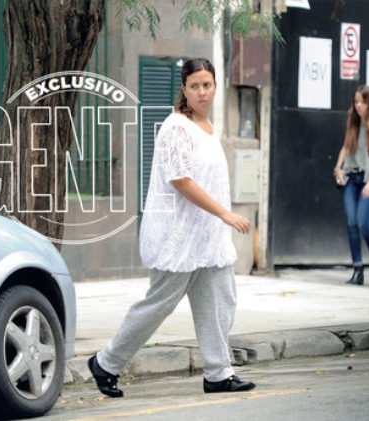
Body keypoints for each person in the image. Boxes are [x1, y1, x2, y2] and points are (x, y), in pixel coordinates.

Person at [87, 58, 256, 397]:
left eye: (207, 84)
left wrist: (218, 221)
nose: (202, 91)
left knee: (221, 301)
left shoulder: (207, 127)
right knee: (158, 305)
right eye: (194, 85)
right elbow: (181, 180)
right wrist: (225, 214)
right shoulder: (175, 127)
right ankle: (105, 362)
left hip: (207, 238)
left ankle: (219, 373)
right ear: (184, 89)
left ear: (215, 86)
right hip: (177, 238)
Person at [334, 84, 369, 286]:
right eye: (356, 101)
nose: (358, 106)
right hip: (351, 177)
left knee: (362, 222)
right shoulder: (353, 123)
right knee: (351, 222)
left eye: (362, 102)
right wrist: (338, 168)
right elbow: (345, 147)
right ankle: (357, 269)